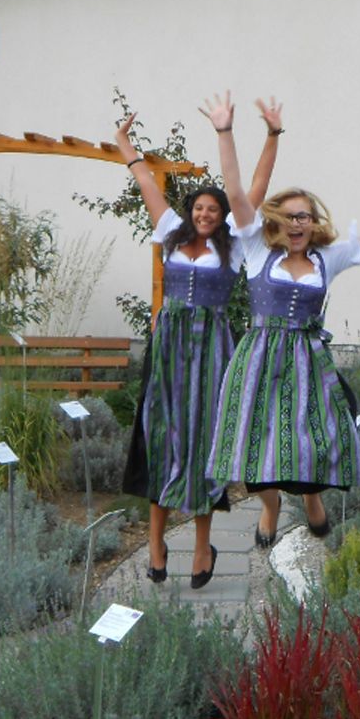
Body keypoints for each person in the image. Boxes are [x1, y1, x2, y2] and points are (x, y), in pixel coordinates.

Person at [202, 91, 360, 542]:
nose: (299, 224)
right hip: (259, 358)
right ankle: (269, 507)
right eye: (291, 216)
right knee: (257, 440)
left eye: (307, 217)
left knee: (313, 437)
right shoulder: (257, 249)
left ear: (316, 223)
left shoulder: (326, 259)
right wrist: (226, 131)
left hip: (306, 359)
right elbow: (236, 188)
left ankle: (311, 497)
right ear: (277, 219)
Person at [116, 101, 284, 588]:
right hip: (169, 349)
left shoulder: (234, 242)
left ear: (223, 215)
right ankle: (155, 541)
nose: (207, 213)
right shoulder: (170, 232)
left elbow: (255, 186)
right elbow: (146, 182)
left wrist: (273, 134)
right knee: (162, 436)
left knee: (206, 441)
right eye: (200, 208)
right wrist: (126, 146)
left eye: (214, 209)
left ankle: (203, 544)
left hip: (211, 349)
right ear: (191, 212)